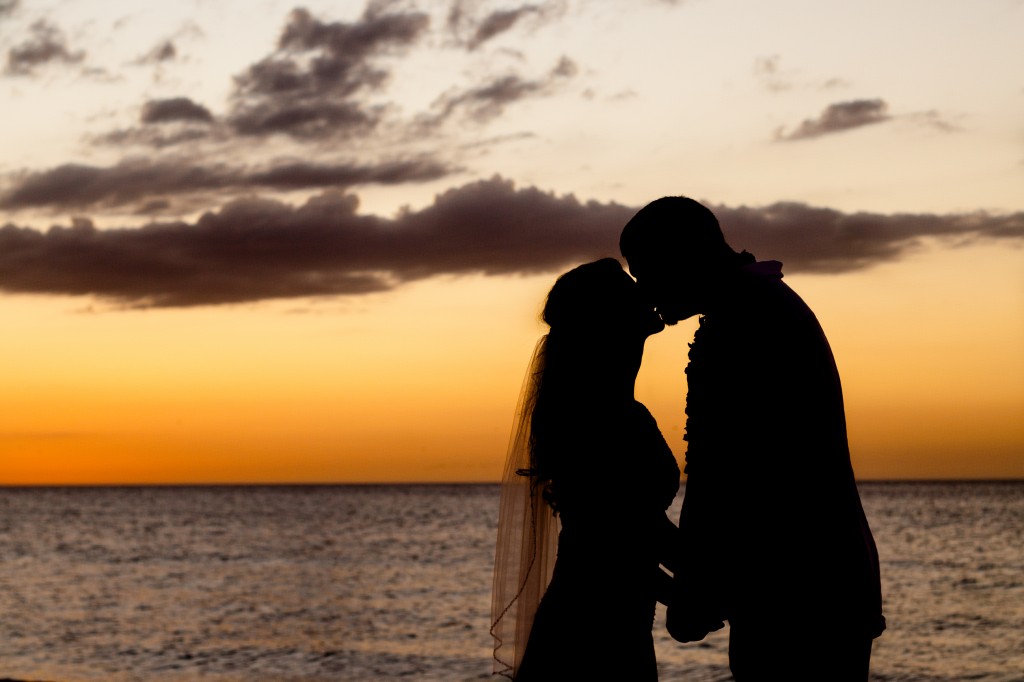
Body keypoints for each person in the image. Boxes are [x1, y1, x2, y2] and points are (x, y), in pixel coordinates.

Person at [619, 197, 885, 681]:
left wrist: (695, 589)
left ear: (677, 257)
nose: (644, 289)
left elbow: (722, 471)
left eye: (645, 271)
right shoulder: (762, 306)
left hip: (797, 590)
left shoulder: (743, 324)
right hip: (821, 579)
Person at [490, 258, 681, 681]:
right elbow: (617, 539)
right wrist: (700, 590)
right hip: (592, 626)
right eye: (629, 287)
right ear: (608, 318)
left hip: (612, 617)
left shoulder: (613, 409)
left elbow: (638, 526)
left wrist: (698, 583)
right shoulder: (603, 416)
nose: (644, 291)